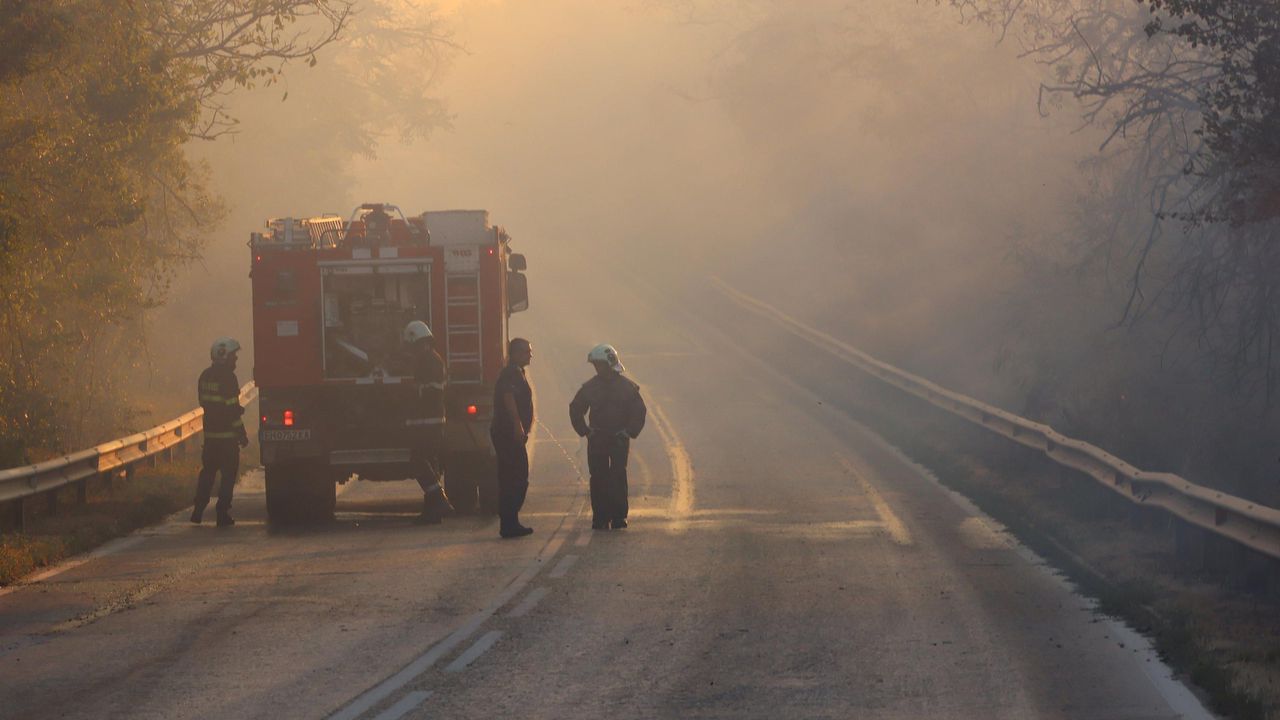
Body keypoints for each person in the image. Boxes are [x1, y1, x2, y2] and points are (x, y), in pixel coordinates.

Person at [569, 344, 646, 530]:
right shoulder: (590, 387)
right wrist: (586, 431)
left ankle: (619, 517)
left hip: (619, 439)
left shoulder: (628, 388)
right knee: (598, 477)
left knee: (618, 475)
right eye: (595, 365)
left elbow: (639, 412)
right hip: (598, 439)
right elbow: (575, 409)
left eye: (600, 364)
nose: (597, 368)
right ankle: (600, 518)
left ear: (610, 363)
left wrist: (628, 432)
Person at [193, 337, 250, 527]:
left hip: (210, 437)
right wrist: (241, 433)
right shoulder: (228, 377)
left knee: (208, 472)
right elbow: (232, 410)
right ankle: (222, 513)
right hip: (227, 439)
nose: (235, 360)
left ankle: (198, 509)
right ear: (224, 357)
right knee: (227, 476)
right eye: (233, 356)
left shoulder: (205, 376)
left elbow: (205, 403)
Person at [402, 320, 454, 524]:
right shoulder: (433, 359)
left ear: (418, 342)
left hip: (425, 421)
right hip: (431, 419)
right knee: (430, 462)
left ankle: (439, 500)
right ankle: (432, 510)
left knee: (418, 460)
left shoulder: (426, 361)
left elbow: (420, 390)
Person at [492, 338, 534, 538]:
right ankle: (509, 522)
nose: (530, 355)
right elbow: (508, 397)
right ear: (516, 354)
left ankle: (510, 521)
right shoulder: (510, 374)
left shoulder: (518, 373)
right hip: (507, 434)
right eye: (526, 352)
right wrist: (517, 424)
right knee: (515, 477)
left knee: (516, 477)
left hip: (512, 434)